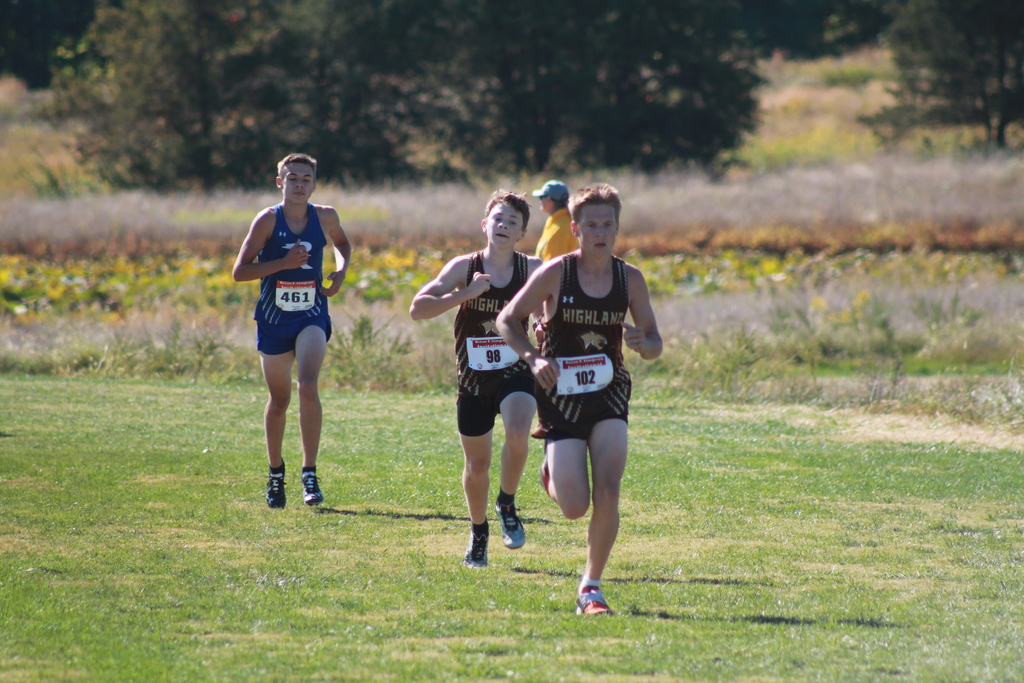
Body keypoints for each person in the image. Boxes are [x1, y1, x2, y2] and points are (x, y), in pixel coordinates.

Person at [496, 183, 662, 615]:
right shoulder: (555, 273)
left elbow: (655, 344)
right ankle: (552, 474)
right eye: (591, 225)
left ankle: (592, 586)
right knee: (575, 507)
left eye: (608, 224)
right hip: (561, 399)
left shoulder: (631, 279)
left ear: (617, 227)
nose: (601, 232)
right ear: (576, 227)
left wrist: (645, 342)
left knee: (609, 490)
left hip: (609, 394)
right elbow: (507, 319)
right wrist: (532, 359)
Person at [410, 190, 541, 567]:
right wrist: (465, 293)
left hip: (515, 373)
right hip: (472, 380)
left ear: (522, 233)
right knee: (477, 465)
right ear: (485, 224)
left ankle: (507, 503)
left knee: (518, 432)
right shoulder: (462, 268)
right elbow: (418, 309)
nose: (503, 226)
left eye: (512, 222)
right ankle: (479, 530)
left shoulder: (531, 269)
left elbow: (558, 304)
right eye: (498, 219)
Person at [232, 153, 351, 509]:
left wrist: (341, 270)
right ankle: (275, 473)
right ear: (280, 182)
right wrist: (283, 264)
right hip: (273, 319)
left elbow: (342, 243)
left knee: (309, 384)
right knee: (280, 399)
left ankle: (310, 473)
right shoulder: (267, 221)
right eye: (292, 178)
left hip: (312, 314)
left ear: (314, 184)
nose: (299, 184)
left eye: (305, 179)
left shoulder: (326, 216)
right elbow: (240, 271)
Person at [531, 180, 577, 261]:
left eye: (541, 197)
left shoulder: (561, 228)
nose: (540, 200)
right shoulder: (554, 222)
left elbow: (554, 268)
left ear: (549, 200)